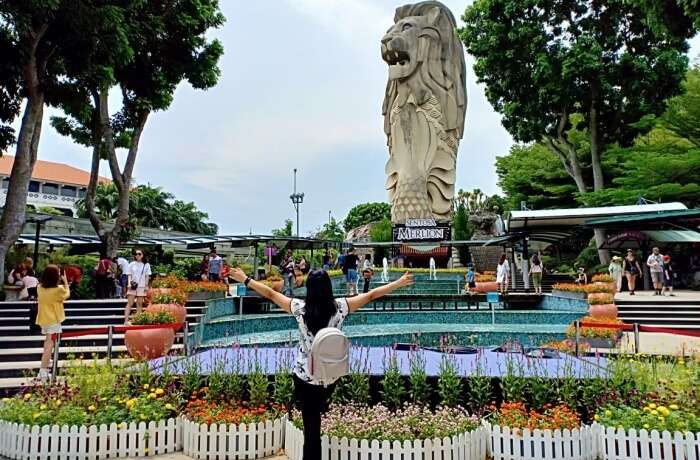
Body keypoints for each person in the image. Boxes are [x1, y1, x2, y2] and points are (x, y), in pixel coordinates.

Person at [228, 267, 414, 460]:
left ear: (309, 288)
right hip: (330, 376)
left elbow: (271, 293)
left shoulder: (299, 308)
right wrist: (398, 283)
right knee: (317, 415)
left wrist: (245, 279)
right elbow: (371, 295)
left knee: (311, 431)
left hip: (305, 377)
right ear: (328, 287)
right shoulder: (341, 307)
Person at [36, 265, 70, 381]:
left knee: (47, 343)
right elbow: (66, 295)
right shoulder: (58, 290)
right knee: (49, 346)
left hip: (43, 319)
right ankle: (43, 371)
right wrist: (65, 282)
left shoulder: (39, 287)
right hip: (53, 320)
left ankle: (45, 365)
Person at [124, 249, 151, 323]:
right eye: (136, 254)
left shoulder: (146, 264)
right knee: (130, 303)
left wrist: (146, 285)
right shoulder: (132, 264)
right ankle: (126, 320)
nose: (137, 255)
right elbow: (129, 274)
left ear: (143, 255)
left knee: (139, 304)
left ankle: (137, 320)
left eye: (139, 254)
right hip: (133, 286)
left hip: (141, 286)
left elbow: (147, 276)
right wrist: (129, 283)